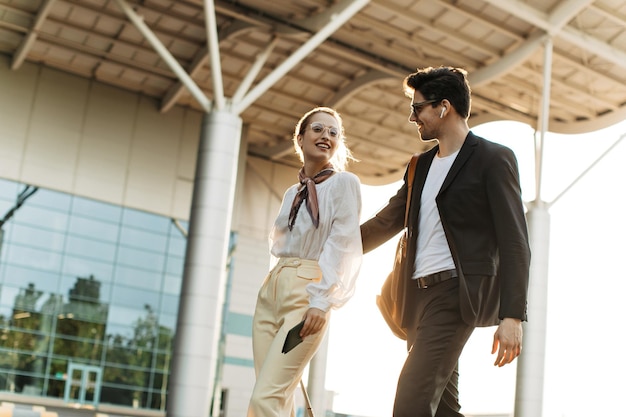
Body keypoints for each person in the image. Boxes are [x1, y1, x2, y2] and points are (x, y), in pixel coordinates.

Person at [361, 66, 531, 417]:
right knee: (443, 410)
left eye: (417, 108)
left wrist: (512, 315)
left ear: (444, 107)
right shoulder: (419, 166)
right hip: (415, 300)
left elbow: (515, 240)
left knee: (410, 402)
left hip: (456, 294)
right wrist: (325, 247)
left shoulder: (492, 159)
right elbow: (385, 222)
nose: (412, 117)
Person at [247, 107, 363, 417]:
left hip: (307, 291)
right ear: (300, 138)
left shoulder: (343, 184)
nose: (326, 135)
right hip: (272, 290)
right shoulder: (291, 193)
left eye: (333, 132)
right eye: (318, 129)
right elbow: (281, 245)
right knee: (276, 395)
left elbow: (343, 243)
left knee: (265, 398)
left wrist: (322, 300)